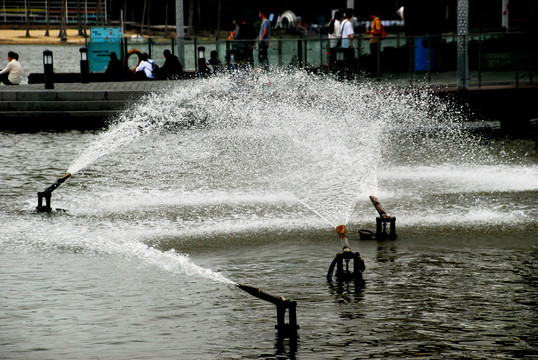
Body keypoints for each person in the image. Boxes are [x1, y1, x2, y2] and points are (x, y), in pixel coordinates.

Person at [340, 8, 355, 79]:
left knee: (345, 60)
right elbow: (349, 35)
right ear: (351, 15)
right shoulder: (348, 23)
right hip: (348, 44)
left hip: (343, 43)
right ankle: (349, 75)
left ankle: (344, 74)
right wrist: (351, 45)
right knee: (350, 61)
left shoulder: (343, 22)